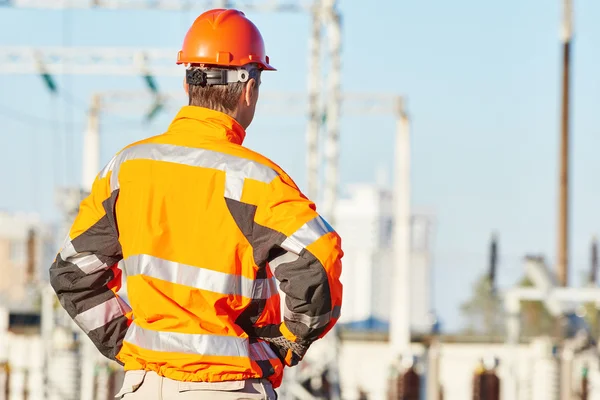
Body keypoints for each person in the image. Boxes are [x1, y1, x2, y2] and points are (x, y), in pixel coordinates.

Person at [49, 8, 343, 400]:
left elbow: (73, 273)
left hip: (144, 387)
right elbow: (318, 258)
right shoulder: (258, 181)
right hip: (228, 387)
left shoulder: (128, 169)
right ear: (250, 88)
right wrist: (283, 344)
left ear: (188, 84)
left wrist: (127, 344)